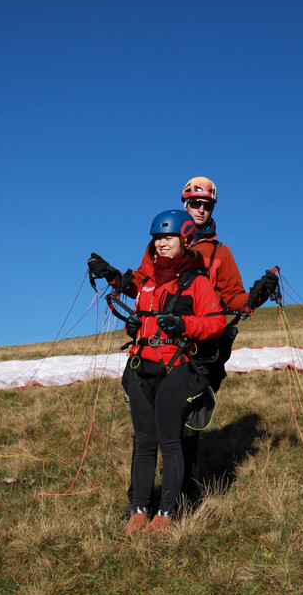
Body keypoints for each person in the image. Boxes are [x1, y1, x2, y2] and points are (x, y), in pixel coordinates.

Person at [88, 177, 279, 509]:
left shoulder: (220, 253)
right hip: (159, 347)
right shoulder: (165, 242)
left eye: (206, 205)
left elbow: (232, 299)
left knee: (186, 427)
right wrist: (116, 277)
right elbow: (146, 285)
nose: (200, 209)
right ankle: (141, 502)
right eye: (194, 203)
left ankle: (183, 498)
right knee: (148, 431)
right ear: (185, 205)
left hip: (201, 349)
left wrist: (255, 296)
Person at [108, 210, 225, 534]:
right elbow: (142, 320)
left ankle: (166, 514)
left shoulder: (196, 282)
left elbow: (215, 323)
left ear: (185, 240)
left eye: (168, 238)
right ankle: (139, 510)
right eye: (157, 238)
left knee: (171, 443)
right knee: (144, 442)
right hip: (139, 368)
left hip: (173, 369)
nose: (161, 244)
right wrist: (135, 326)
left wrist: (184, 324)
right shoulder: (146, 281)